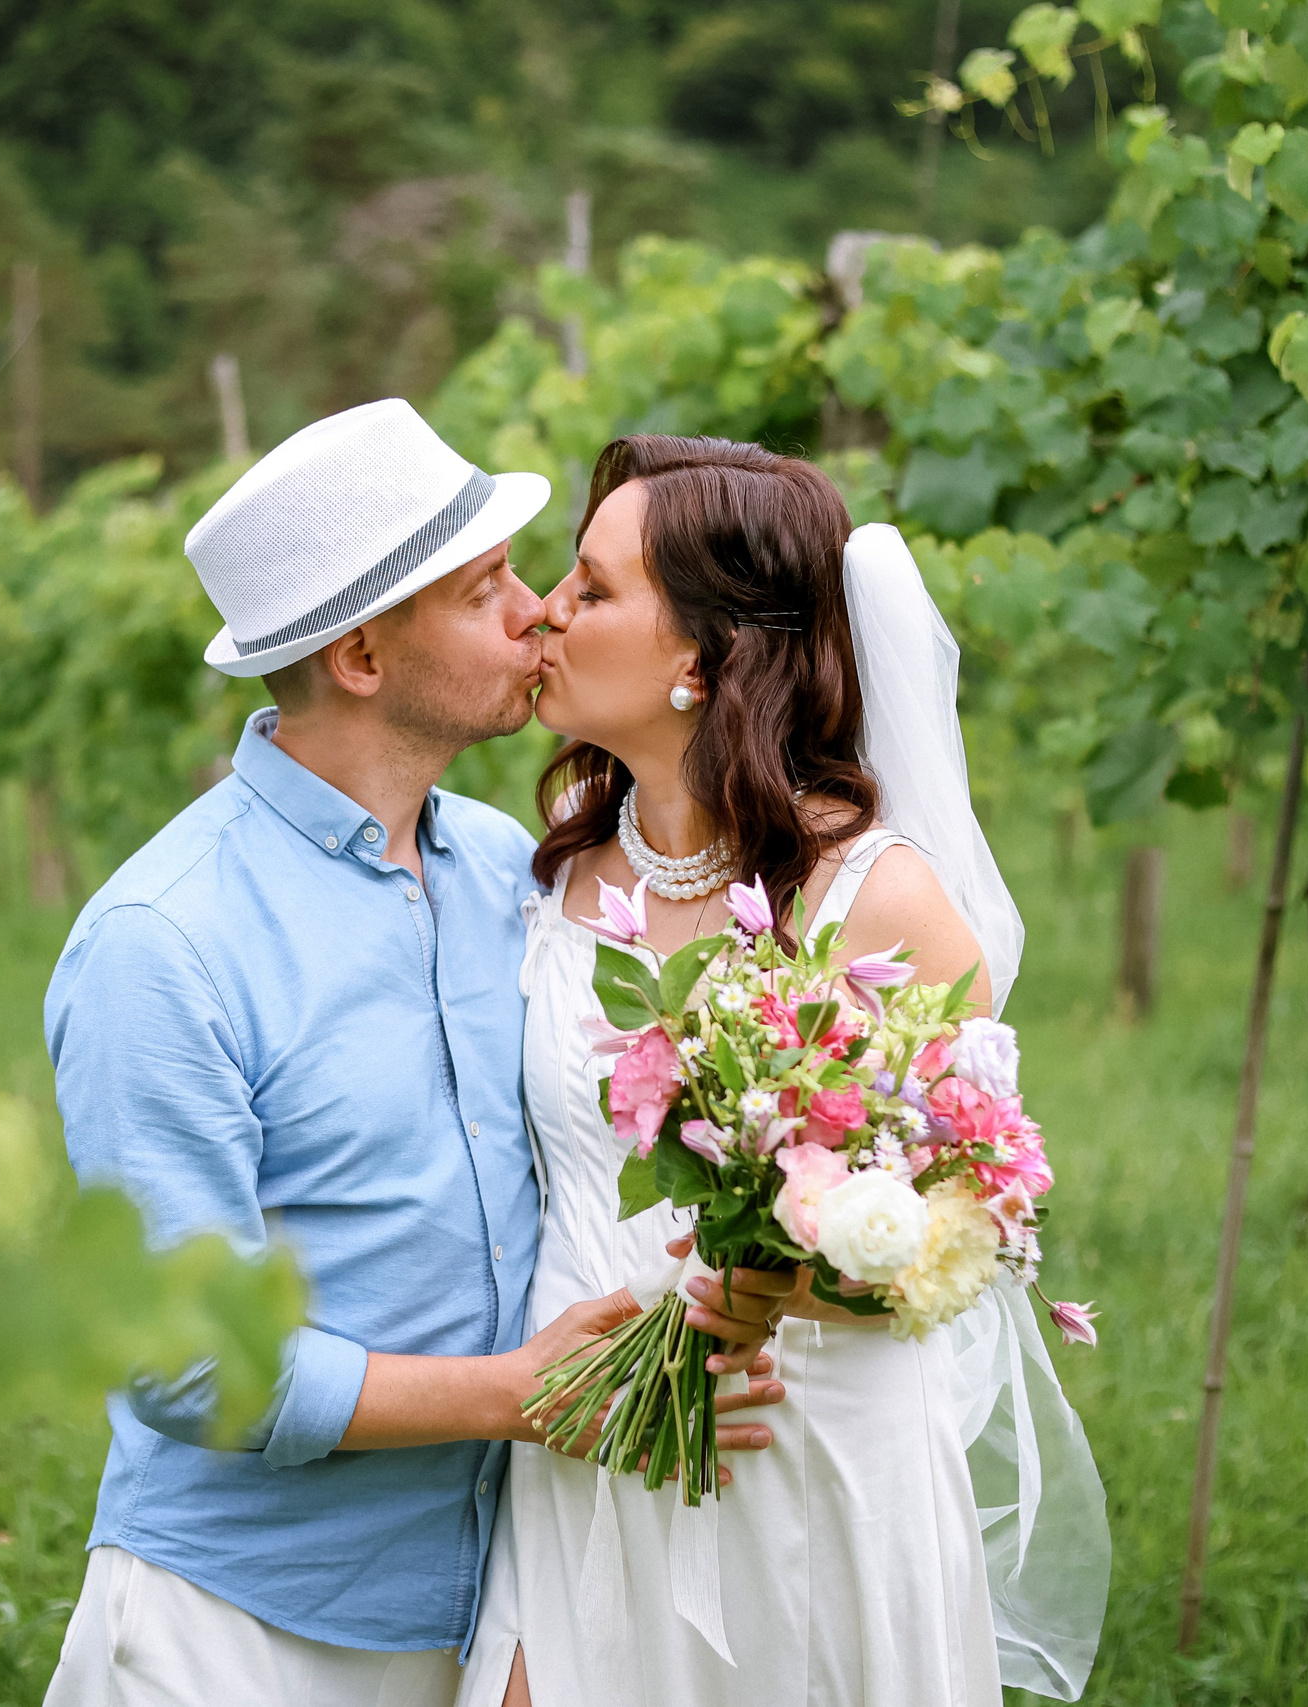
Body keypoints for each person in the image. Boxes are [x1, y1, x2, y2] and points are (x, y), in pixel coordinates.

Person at [39, 400, 793, 1707]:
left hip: (484, 1608)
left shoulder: (509, 867)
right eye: (482, 588)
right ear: (361, 657)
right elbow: (186, 1360)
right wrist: (516, 1394)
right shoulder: (163, 942)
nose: (536, 611)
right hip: (236, 1627)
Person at [460, 435, 1108, 1707]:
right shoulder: (553, 871)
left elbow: (968, 1231)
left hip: (800, 1457)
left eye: (593, 588)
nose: (545, 609)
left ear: (702, 662)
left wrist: (774, 1285)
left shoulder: (879, 901)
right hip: (579, 1434)